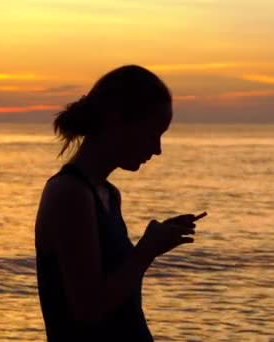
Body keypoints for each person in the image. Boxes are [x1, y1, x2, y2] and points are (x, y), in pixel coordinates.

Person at [34, 65, 207, 341]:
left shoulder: (108, 195)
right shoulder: (70, 194)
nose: (157, 149)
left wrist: (153, 245)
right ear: (117, 121)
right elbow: (88, 309)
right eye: (153, 133)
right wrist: (147, 250)